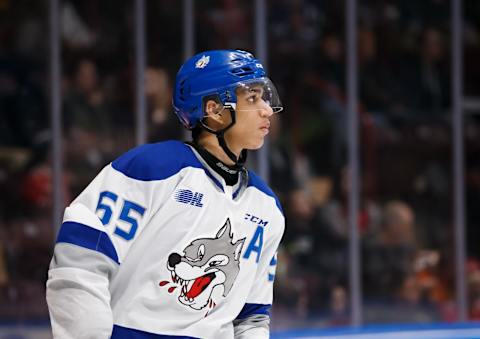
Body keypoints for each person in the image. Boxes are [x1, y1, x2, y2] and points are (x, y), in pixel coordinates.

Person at [46, 50, 285, 339]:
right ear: (214, 109)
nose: (266, 110)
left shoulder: (266, 207)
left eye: (264, 98)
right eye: (252, 98)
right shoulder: (152, 169)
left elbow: (251, 318)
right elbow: (79, 265)